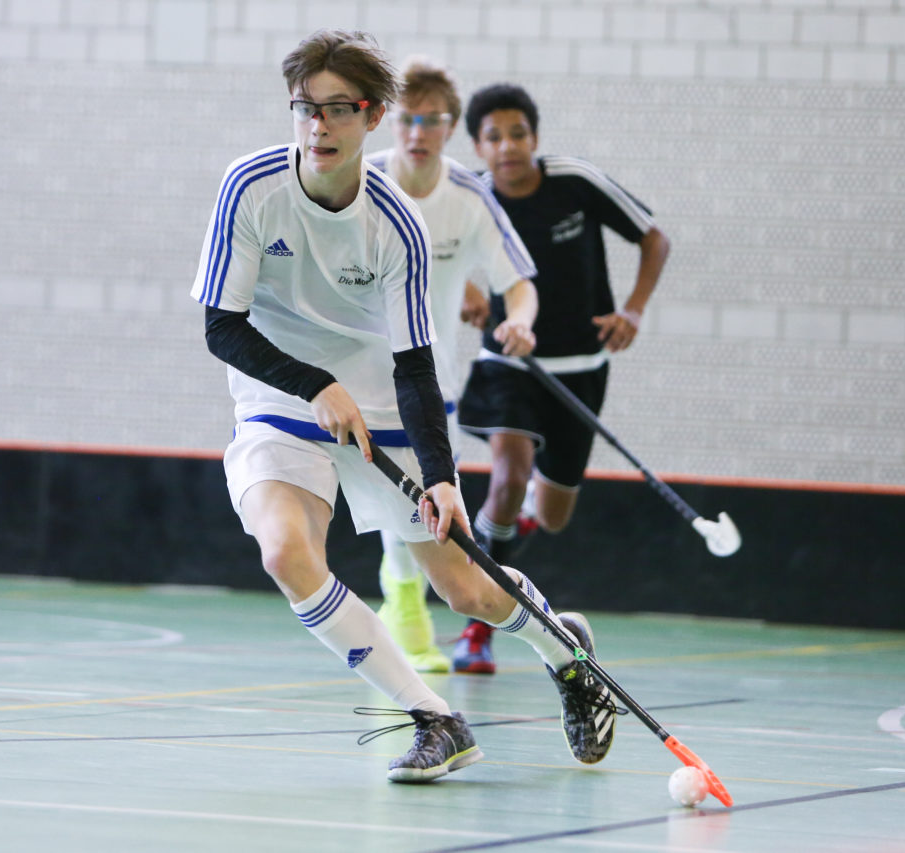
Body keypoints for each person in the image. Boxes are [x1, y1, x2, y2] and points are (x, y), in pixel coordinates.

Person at [191, 30, 619, 781]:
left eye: (337, 110)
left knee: (468, 590)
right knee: (286, 551)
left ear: (374, 115)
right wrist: (313, 384)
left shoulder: (398, 225)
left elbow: (417, 367)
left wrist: (444, 477)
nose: (318, 126)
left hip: (384, 407)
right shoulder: (250, 186)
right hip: (279, 403)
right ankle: (435, 717)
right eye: (304, 108)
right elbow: (220, 325)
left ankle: (565, 651)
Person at [452, 83, 671, 675]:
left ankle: (516, 521)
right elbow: (419, 245)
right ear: (477, 144)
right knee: (507, 473)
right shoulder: (469, 194)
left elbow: (654, 236)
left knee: (552, 516)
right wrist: (465, 293)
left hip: (580, 370)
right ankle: (478, 628)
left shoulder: (574, 181)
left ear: (535, 137)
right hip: (508, 362)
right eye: (493, 137)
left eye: (517, 133)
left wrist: (633, 310)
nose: (507, 147)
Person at [365, 56, 539, 674]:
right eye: (407, 119)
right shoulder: (362, 182)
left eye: (431, 120)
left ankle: (406, 603)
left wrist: (517, 317)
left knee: (417, 495)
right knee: (393, 492)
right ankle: (403, 606)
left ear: (449, 126)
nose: (417, 133)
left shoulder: (468, 196)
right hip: (357, 370)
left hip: (428, 376)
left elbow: (517, 279)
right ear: (388, 122)